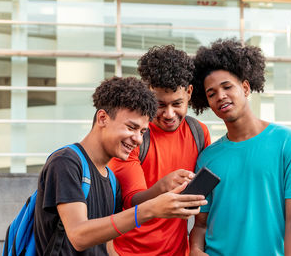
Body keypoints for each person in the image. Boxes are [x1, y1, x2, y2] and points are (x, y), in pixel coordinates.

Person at [33, 77, 207, 255]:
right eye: (131, 127)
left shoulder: (111, 180)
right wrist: (152, 208)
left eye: (142, 132)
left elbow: (108, 244)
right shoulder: (66, 162)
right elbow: (79, 236)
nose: (138, 139)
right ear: (102, 118)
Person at [189, 39, 291, 256]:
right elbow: (200, 224)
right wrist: (194, 249)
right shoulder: (207, 158)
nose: (220, 96)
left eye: (227, 87)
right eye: (211, 93)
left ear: (246, 87)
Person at [108, 45, 211, 256]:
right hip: (127, 252)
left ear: (189, 92)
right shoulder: (134, 136)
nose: (169, 114)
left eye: (177, 103)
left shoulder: (199, 133)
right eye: (160, 105)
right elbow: (132, 202)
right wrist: (162, 187)